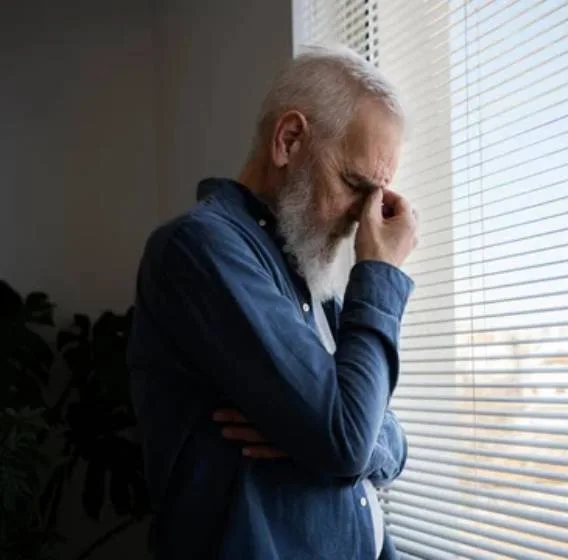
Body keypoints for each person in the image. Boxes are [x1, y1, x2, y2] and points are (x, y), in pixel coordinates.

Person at [127, 46, 418, 559]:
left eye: (378, 196)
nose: (362, 221)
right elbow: (347, 438)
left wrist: (335, 438)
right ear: (289, 139)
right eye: (354, 185)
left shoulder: (308, 268)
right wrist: (381, 272)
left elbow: (387, 442)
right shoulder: (201, 250)